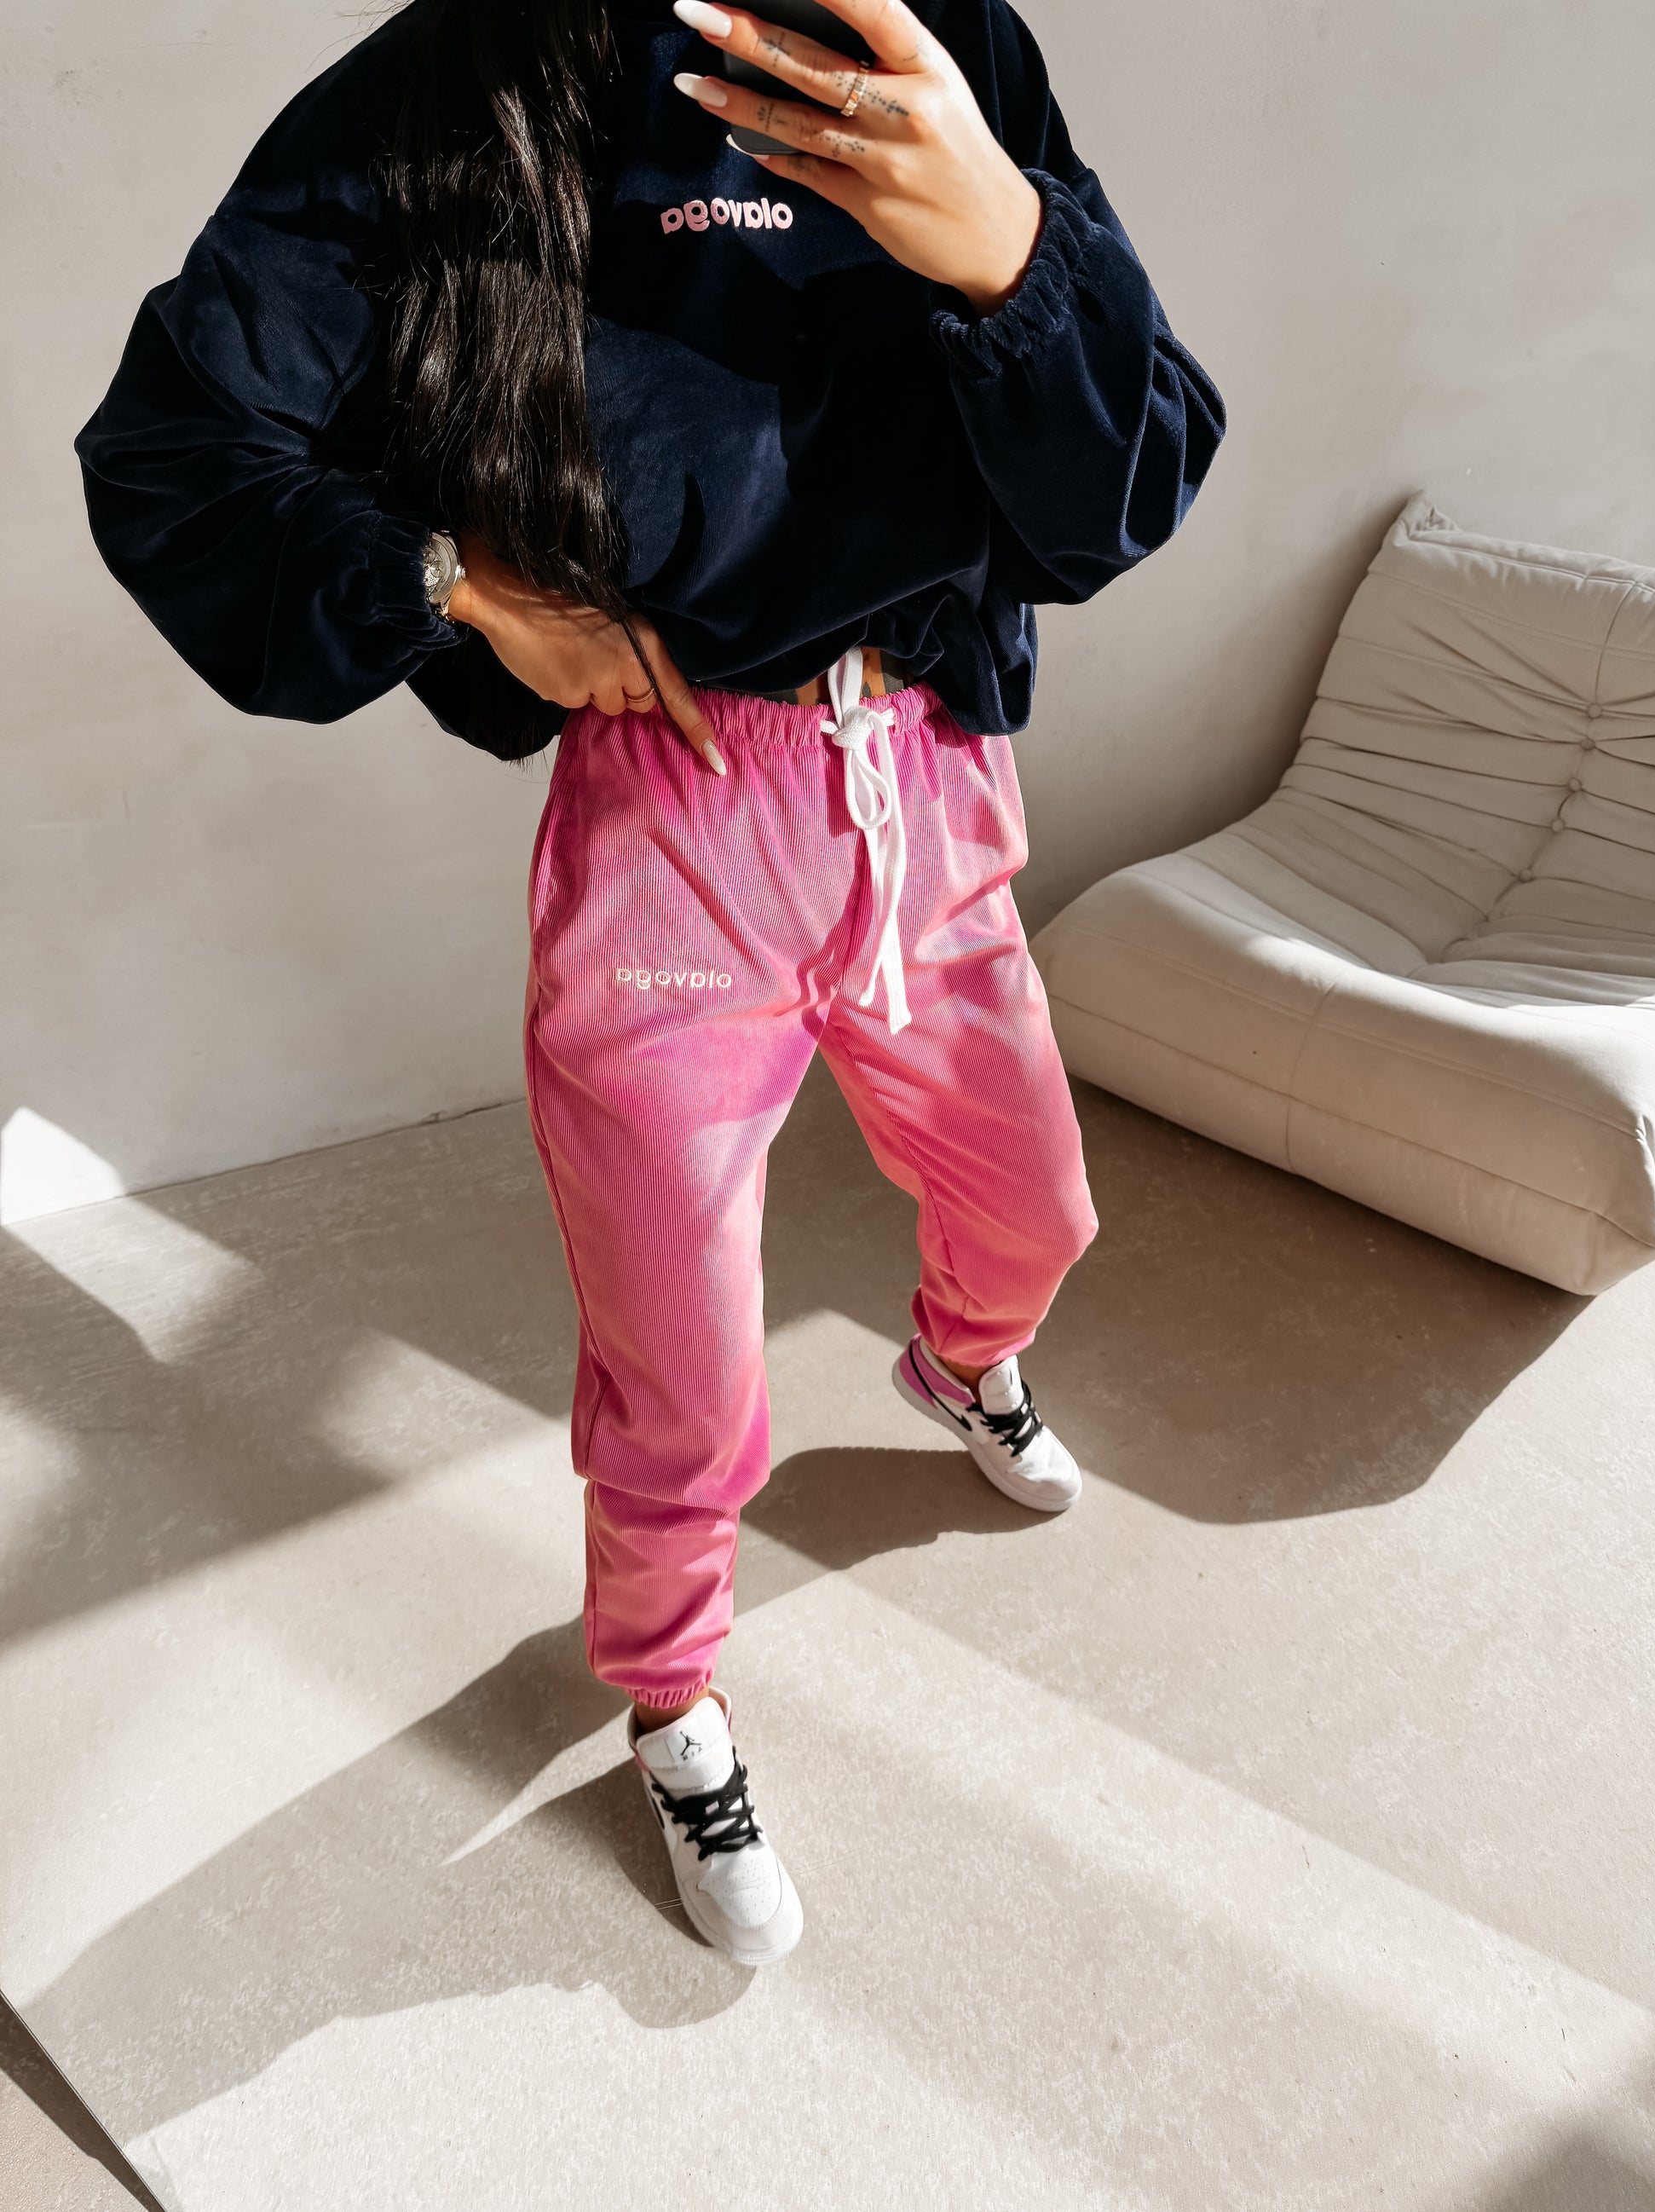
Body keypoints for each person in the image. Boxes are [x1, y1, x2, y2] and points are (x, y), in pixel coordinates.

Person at [78, 0, 1224, 1967]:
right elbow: (177, 446)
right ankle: (675, 1698)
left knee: (1039, 1205)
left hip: (927, 776)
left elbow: (1128, 478)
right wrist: (454, 581)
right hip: (679, 811)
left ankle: (961, 1358)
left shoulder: (944, 34)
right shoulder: (454, 86)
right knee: (683, 1372)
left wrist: (1015, 263)